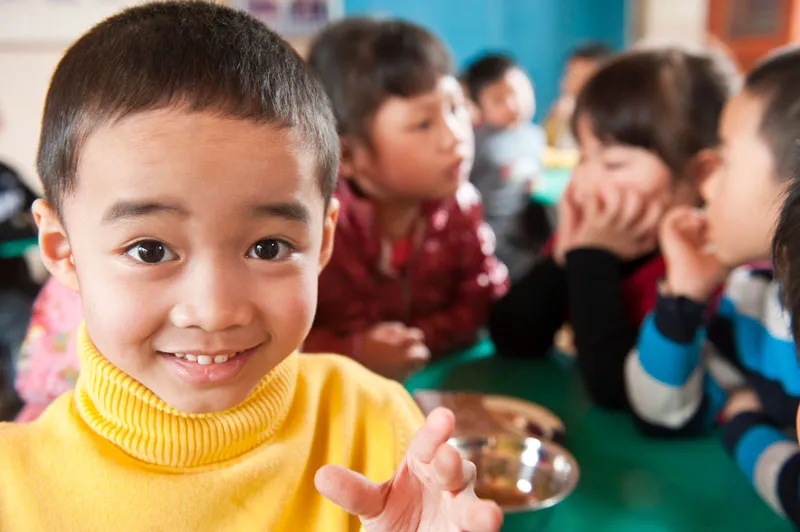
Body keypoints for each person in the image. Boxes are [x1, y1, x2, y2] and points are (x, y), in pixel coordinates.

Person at [0, 4, 503, 531]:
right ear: (62, 249)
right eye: (149, 250)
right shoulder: (15, 487)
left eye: (267, 248)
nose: (216, 312)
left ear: (322, 238)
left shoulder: (374, 424)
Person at [489, 45, 737, 409]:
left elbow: (621, 391)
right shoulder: (594, 233)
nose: (586, 180)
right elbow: (512, 338)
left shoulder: (705, 270)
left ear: (701, 174)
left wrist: (591, 258)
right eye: (584, 158)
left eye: (615, 163)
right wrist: (563, 257)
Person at [628, 45, 800, 527]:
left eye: (725, 158)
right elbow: (664, 413)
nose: (706, 186)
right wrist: (683, 295)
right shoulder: (751, 293)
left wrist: (745, 428)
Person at [303, 18, 508, 380]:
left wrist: (413, 344)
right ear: (346, 155)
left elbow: (482, 298)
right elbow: (277, 337)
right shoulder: (312, 226)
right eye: (423, 124)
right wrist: (355, 354)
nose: (455, 137)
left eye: (456, 108)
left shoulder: (461, 205)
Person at [463, 53, 547, 281]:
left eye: (516, 92)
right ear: (479, 105)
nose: (512, 104)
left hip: (525, 237)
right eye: (497, 99)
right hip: (489, 241)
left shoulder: (535, 136)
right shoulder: (474, 141)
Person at [543, 42, 612, 149]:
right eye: (570, 75)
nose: (574, 85)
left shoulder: (612, 119)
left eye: (583, 78)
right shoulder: (559, 114)